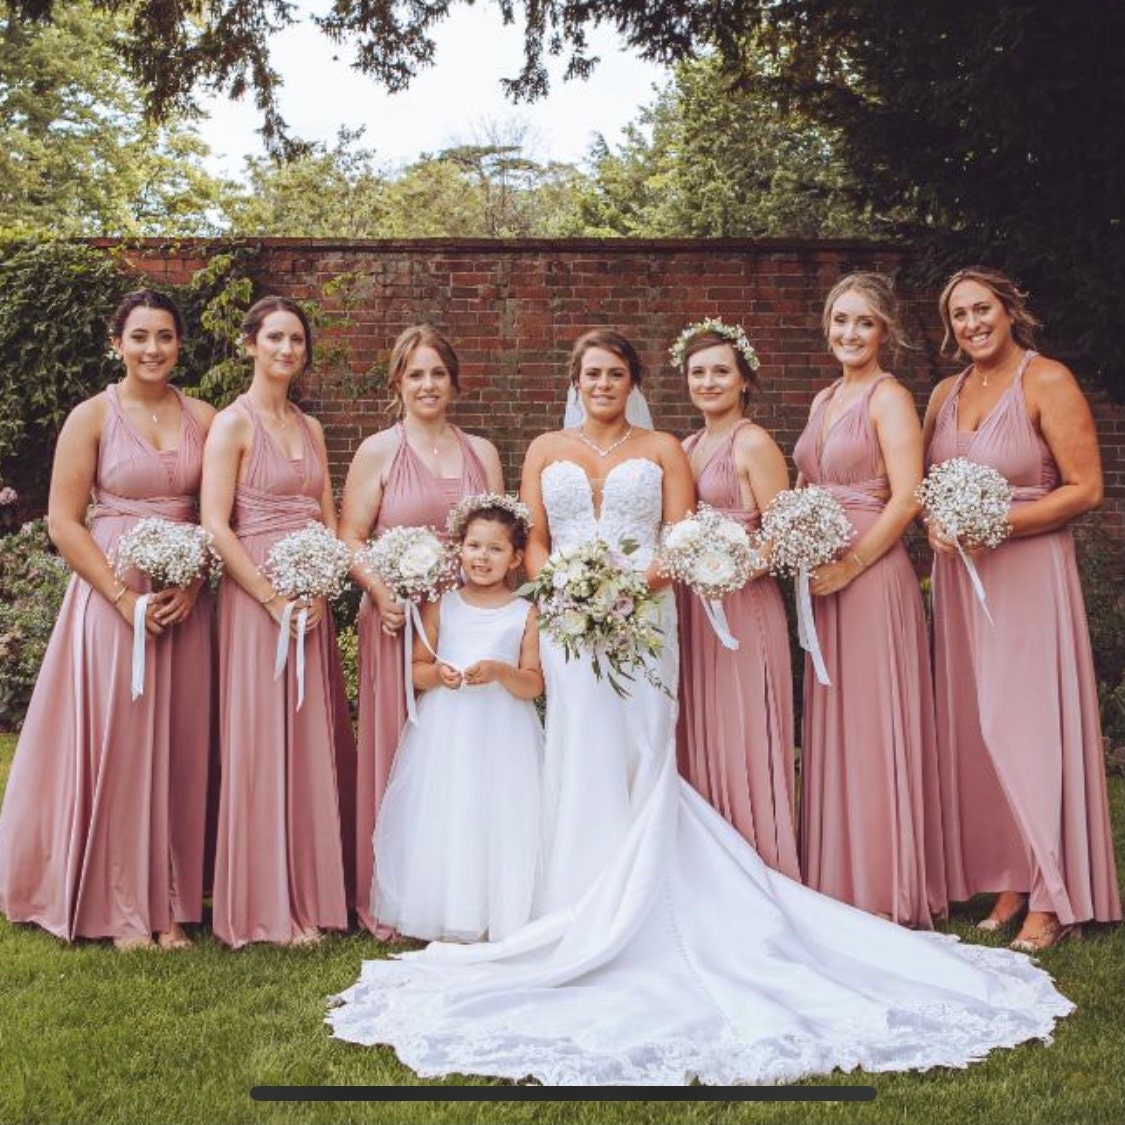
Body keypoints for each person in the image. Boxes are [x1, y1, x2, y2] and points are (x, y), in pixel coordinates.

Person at [327, 326, 1072, 1087]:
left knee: (644, 749)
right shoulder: (545, 448)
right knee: (578, 750)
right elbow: (535, 539)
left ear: (632, 380)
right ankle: (572, 898)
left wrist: (629, 590)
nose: (602, 384)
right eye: (590, 373)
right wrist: (567, 589)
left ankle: (650, 895)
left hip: (645, 623)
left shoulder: (663, 451)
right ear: (574, 379)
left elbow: (679, 537)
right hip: (570, 625)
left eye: (615, 372)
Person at [0, 289, 215, 950]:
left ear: (180, 345)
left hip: (183, 603)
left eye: (165, 337)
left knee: (181, 748)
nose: (153, 348)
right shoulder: (91, 417)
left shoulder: (205, 417)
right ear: (115, 342)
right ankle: (121, 900)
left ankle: (173, 899)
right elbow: (64, 522)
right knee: (120, 747)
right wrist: (124, 600)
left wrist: (193, 580)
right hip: (109, 600)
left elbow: (218, 514)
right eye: (140, 336)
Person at [923, 265, 1121, 951]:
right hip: (960, 583)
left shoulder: (1046, 381)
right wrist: (937, 525)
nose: (971, 323)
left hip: (1028, 574)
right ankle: (1010, 874)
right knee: (978, 728)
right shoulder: (943, 394)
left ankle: (1052, 891)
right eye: (958, 315)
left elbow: (1085, 488)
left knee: (1028, 725)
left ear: (1008, 310)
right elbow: (926, 488)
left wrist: (999, 523)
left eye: (982, 309)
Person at [791, 272, 946, 927]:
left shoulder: (889, 397)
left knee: (873, 721)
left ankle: (886, 882)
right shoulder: (824, 397)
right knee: (833, 720)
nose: (848, 333)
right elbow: (803, 480)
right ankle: (835, 876)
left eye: (862, 322)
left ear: (884, 331)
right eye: (839, 320)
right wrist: (796, 535)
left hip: (871, 575)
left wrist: (852, 562)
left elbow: (908, 494)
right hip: (821, 578)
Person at [338, 325, 503, 937]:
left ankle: (458, 890)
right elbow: (350, 536)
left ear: (454, 382)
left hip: (467, 620)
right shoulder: (379, 451)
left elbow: (498, 536)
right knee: (397, 749)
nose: (427, 384)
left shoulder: (481, 452)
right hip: (396, 617)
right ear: (397, 384)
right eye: (415, 374)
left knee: (462, 754)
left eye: (437, 373)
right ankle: (389, 895)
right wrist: (383, 594)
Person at [201, 295, 354, 948]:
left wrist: (321, 583)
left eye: (296, 339)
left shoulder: (312, 429)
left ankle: (312, 893)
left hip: (309, 598)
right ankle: (262, 903)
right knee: (261, 739)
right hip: (253, 599)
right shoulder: (232, 426)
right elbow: (214, 523)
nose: (286, 349)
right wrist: (268, 596)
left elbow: (327, 515)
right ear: (249, 344)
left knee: (307, 735)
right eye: (274, 337)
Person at [372, 494, 544, 943]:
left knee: (499, 814)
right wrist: (438, 673)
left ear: (516, 559)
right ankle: (444, 908)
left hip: (504, 732)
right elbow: (415, 670)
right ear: (459, 549)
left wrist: (502, 672)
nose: (481, 557)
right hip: (448, 732)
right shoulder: (442, 604)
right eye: (473, 546)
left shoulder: (525, 613)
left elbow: (533, 683)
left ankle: (498, 911)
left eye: (494, 549)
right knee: (449, 813)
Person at [673, 319, 799, 878]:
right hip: (695, 614)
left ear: (744, 379)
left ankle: (760, 869)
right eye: (698, 372)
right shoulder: (686, 446)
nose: (709, 381)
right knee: (701, 736)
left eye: (721, 371)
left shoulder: (753, 441)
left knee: (745, 736)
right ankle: (709, 872)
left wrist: (730, 567)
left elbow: (782, 537)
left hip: (745, 610)